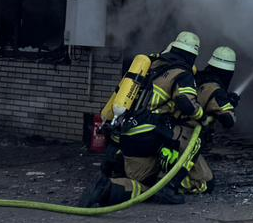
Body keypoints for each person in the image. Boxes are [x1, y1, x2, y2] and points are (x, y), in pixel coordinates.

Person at [79, 31, 203, 206]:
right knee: (192, 140)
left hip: (125, 133)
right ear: (192, 55)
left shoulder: (150, 65)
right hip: (149, 133)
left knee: (139, 176)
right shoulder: (182, 73)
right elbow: (187, 104)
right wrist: (201, 114)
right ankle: (168, 187)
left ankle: (109, 182)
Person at [179, 45, 240, 194]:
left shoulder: (197, 78)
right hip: (185, 140)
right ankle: (169, 184)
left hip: (173, 133)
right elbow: (228, 121)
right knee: (206, 183)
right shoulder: (215, 90)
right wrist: (230, 104)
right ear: (227, 73)